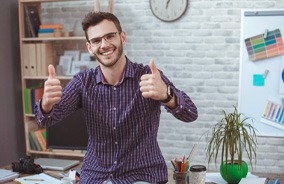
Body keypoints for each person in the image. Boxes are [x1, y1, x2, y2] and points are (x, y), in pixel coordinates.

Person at [35, 12, 198, 184]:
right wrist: (46, 103)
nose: (104, 45)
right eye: (96, 40)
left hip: (141, 177)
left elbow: (191, 113)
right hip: (95, 177)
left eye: (110, 36)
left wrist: (167, 94)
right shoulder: (82, 82)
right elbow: (45, 120)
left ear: (122, 37)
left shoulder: (148, 77)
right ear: (90, 47)